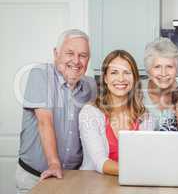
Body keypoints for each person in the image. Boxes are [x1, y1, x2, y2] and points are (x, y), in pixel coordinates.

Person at [16, 29, 97, 193]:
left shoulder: (91, 86)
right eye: (70, 53)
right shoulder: (40, 75)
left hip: (73, 178)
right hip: (37, 177)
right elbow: (45, 122)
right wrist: (54, 164)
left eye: (83, 55)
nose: (76, 61)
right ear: (56, 53)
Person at [79, 50, 155, 176]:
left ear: (135, 78)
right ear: (105, 78)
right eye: (114, 72)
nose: (121, 79)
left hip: (132, 185)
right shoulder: (89, 114)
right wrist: (140, 171)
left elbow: (146, 158)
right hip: (94, 185)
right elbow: (100, 162)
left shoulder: (145, 118)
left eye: (127, 72)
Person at [142, 37, 178, 128]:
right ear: (148, 70)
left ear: (177, 69)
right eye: (157, 67)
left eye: (169, 66)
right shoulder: (137, 91)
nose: (163, 73)